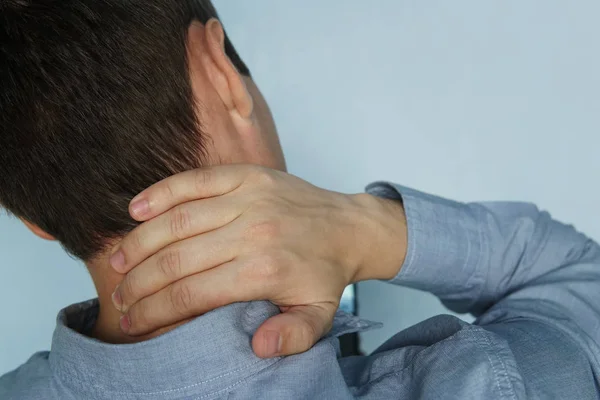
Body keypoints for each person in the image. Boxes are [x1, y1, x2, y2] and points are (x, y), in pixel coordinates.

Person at [1, 0, 599, 399]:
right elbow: (579, 276)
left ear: (34, 219)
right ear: (220, 73)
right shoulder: (468, 383)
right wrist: (363, 229)